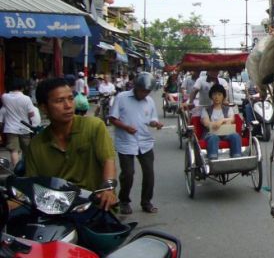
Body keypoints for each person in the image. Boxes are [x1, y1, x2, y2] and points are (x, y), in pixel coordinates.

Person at [26, 78, 118, 210]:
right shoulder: (37, 144)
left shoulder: (93, 126)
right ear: (43, 107)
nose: (68, 105)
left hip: (95, 206)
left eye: (70, 98)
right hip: (56, 210)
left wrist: (108, 189)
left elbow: (108, 160)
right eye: (59, 101)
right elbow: (32, 183)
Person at [108, 72, 164, 214]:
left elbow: (151, 120)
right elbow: (112, 119)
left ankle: (146, 202)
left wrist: (155, 124)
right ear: (136, 87)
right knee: (128, 173)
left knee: (149, 173)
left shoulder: (150, 101)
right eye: (142, 91)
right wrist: (126, 127)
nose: (144, 94)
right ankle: (124, 201)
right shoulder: (121, 98)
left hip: (145, 142)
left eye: (147, 91)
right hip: (126, 142)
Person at [0, 77, 37, 166]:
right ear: (22, 87)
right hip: (24, 127)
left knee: (14, 150)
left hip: (10, 128)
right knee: (27, 150)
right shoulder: (26, 98)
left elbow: (4, 109)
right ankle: (27, 167)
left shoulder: (4, 97)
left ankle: (16, 171)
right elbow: (31, 114)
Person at [200, 83, 242, 160]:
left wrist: (221, 121)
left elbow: (232, 120)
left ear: (223, 96)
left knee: (235, 136)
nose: (217, 97)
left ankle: (237, 158)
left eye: (219, 95)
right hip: (210, 133)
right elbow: (206, 123)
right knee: (213, 137)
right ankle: (213, 159)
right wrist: (220, 123)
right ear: (211, 96)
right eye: (214, 94)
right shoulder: (206, 110)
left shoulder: (228, 109)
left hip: (226, 133)